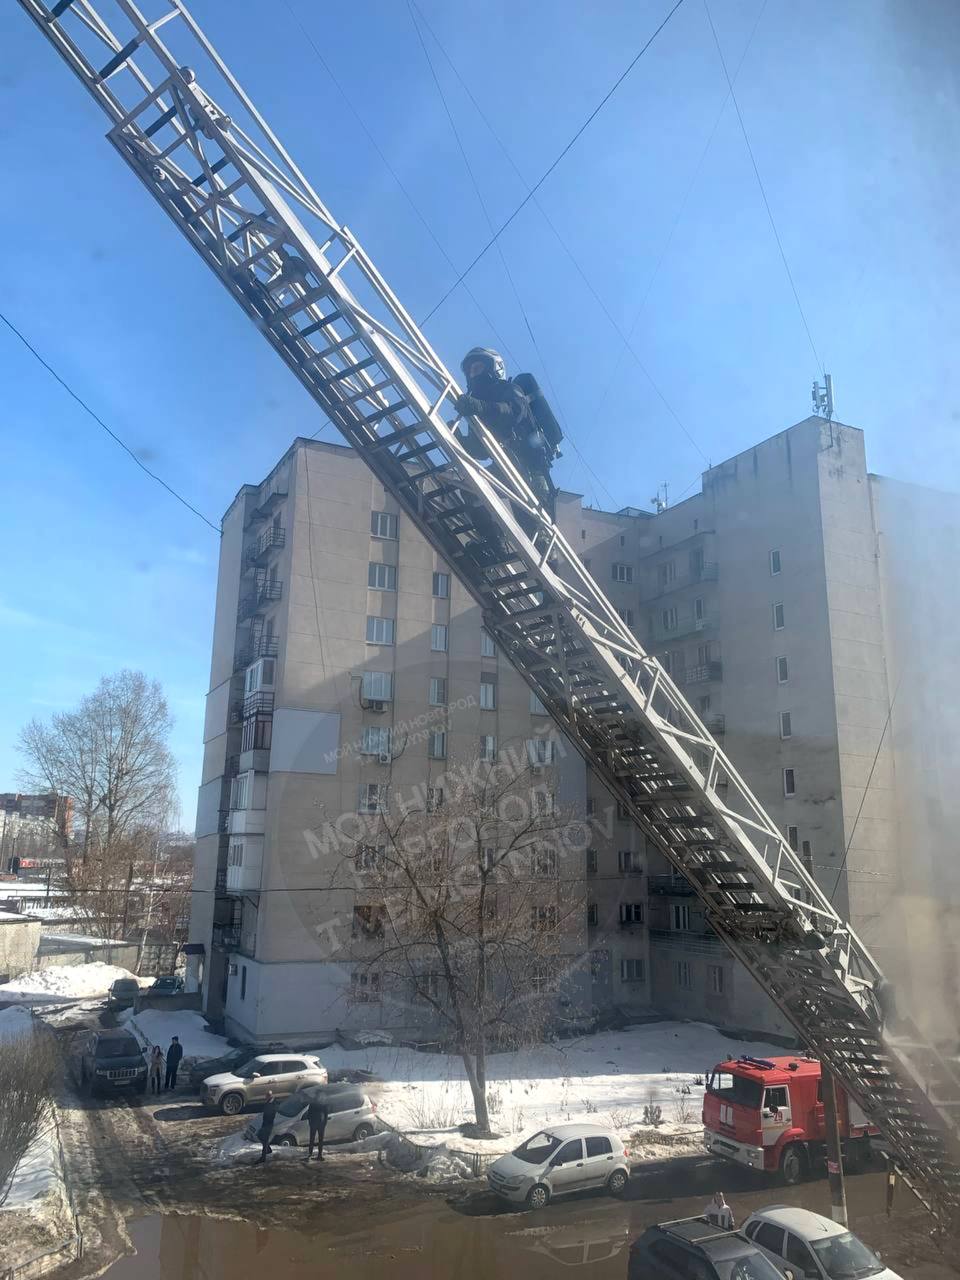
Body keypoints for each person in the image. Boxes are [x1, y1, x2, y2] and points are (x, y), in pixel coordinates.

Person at [455, 348, 563, 525]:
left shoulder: (510, 389)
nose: (474, 374)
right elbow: (480, 451)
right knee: (471, 491)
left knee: (535, 526)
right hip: (505, 467)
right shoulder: (476, 407)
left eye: (478, 368)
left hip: (530, 470)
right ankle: (491, 544)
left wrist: (480, 407)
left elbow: (512, 411)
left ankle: (544, 548)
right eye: (471, 371)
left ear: (494, 367)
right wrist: (460, 439)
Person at [305, 1095, 330, 1162]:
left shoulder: (323, 1105)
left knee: (320, 1140)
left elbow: (326, 1115)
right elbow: (309, 1114)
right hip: (314, 1124)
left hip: (320, 1125)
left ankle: (319, 1155)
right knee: (313, 1140)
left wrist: (324, 1124)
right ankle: (310, 1154)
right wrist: (311, 1123)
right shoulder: (313, 1104)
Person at [256, 1091, 278, 1164]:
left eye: (267, 1096)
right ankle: (268, 1149)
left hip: (268, 1124)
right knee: (260, 1136)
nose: (265, 1097)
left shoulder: (273, 1104)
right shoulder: (268, 1102)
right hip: (265, 1123)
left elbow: (271, 1114)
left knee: (265, 1140)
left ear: (270, 1096)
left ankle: (263, 1157)